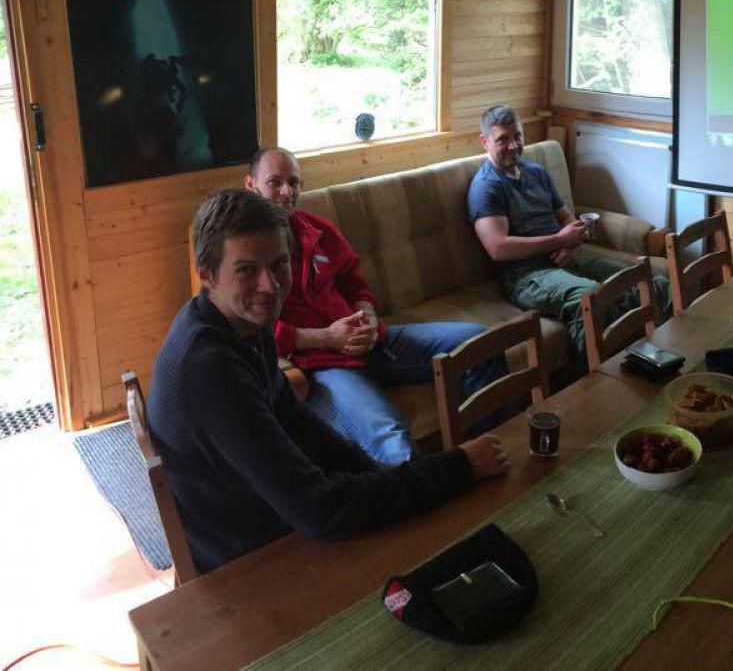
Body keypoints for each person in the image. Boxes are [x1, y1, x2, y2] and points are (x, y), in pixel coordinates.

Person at [148, 189, 508, 574]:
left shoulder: (244, 324)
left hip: (262, 509)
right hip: (247, 560)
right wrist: (457, 467)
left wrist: (382, 473)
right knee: (429, 546)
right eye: (247, 270)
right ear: (207, 276)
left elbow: (298, 422)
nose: (270, 286)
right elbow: (319, 511)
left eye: (279, 264)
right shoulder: (210, 368)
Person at [244, 147, 507, 465]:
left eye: (294, 183)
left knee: (483, 344)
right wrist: (326, 337)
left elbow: (355, 283)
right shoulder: (244, 252)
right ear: (251, 185)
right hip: (322, 367)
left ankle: (495, 457)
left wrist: (367, 316)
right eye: (275, 182)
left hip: (376, 343)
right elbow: (250, 331)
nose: (287, 192)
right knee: (396, 446)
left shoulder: (318, 229)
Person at [468, 105, 670, 371]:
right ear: (485, 142)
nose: (513, 145)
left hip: (567, 257)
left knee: (651, 281)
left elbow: (566, 217)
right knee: (591, 299)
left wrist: (571, 243)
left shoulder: (536, 172)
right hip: (527, 274)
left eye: (517, 136)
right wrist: (559, 240)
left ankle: (659, 360)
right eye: (502, 139)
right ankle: (595, 381)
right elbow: (498, 248)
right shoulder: (487, 186)